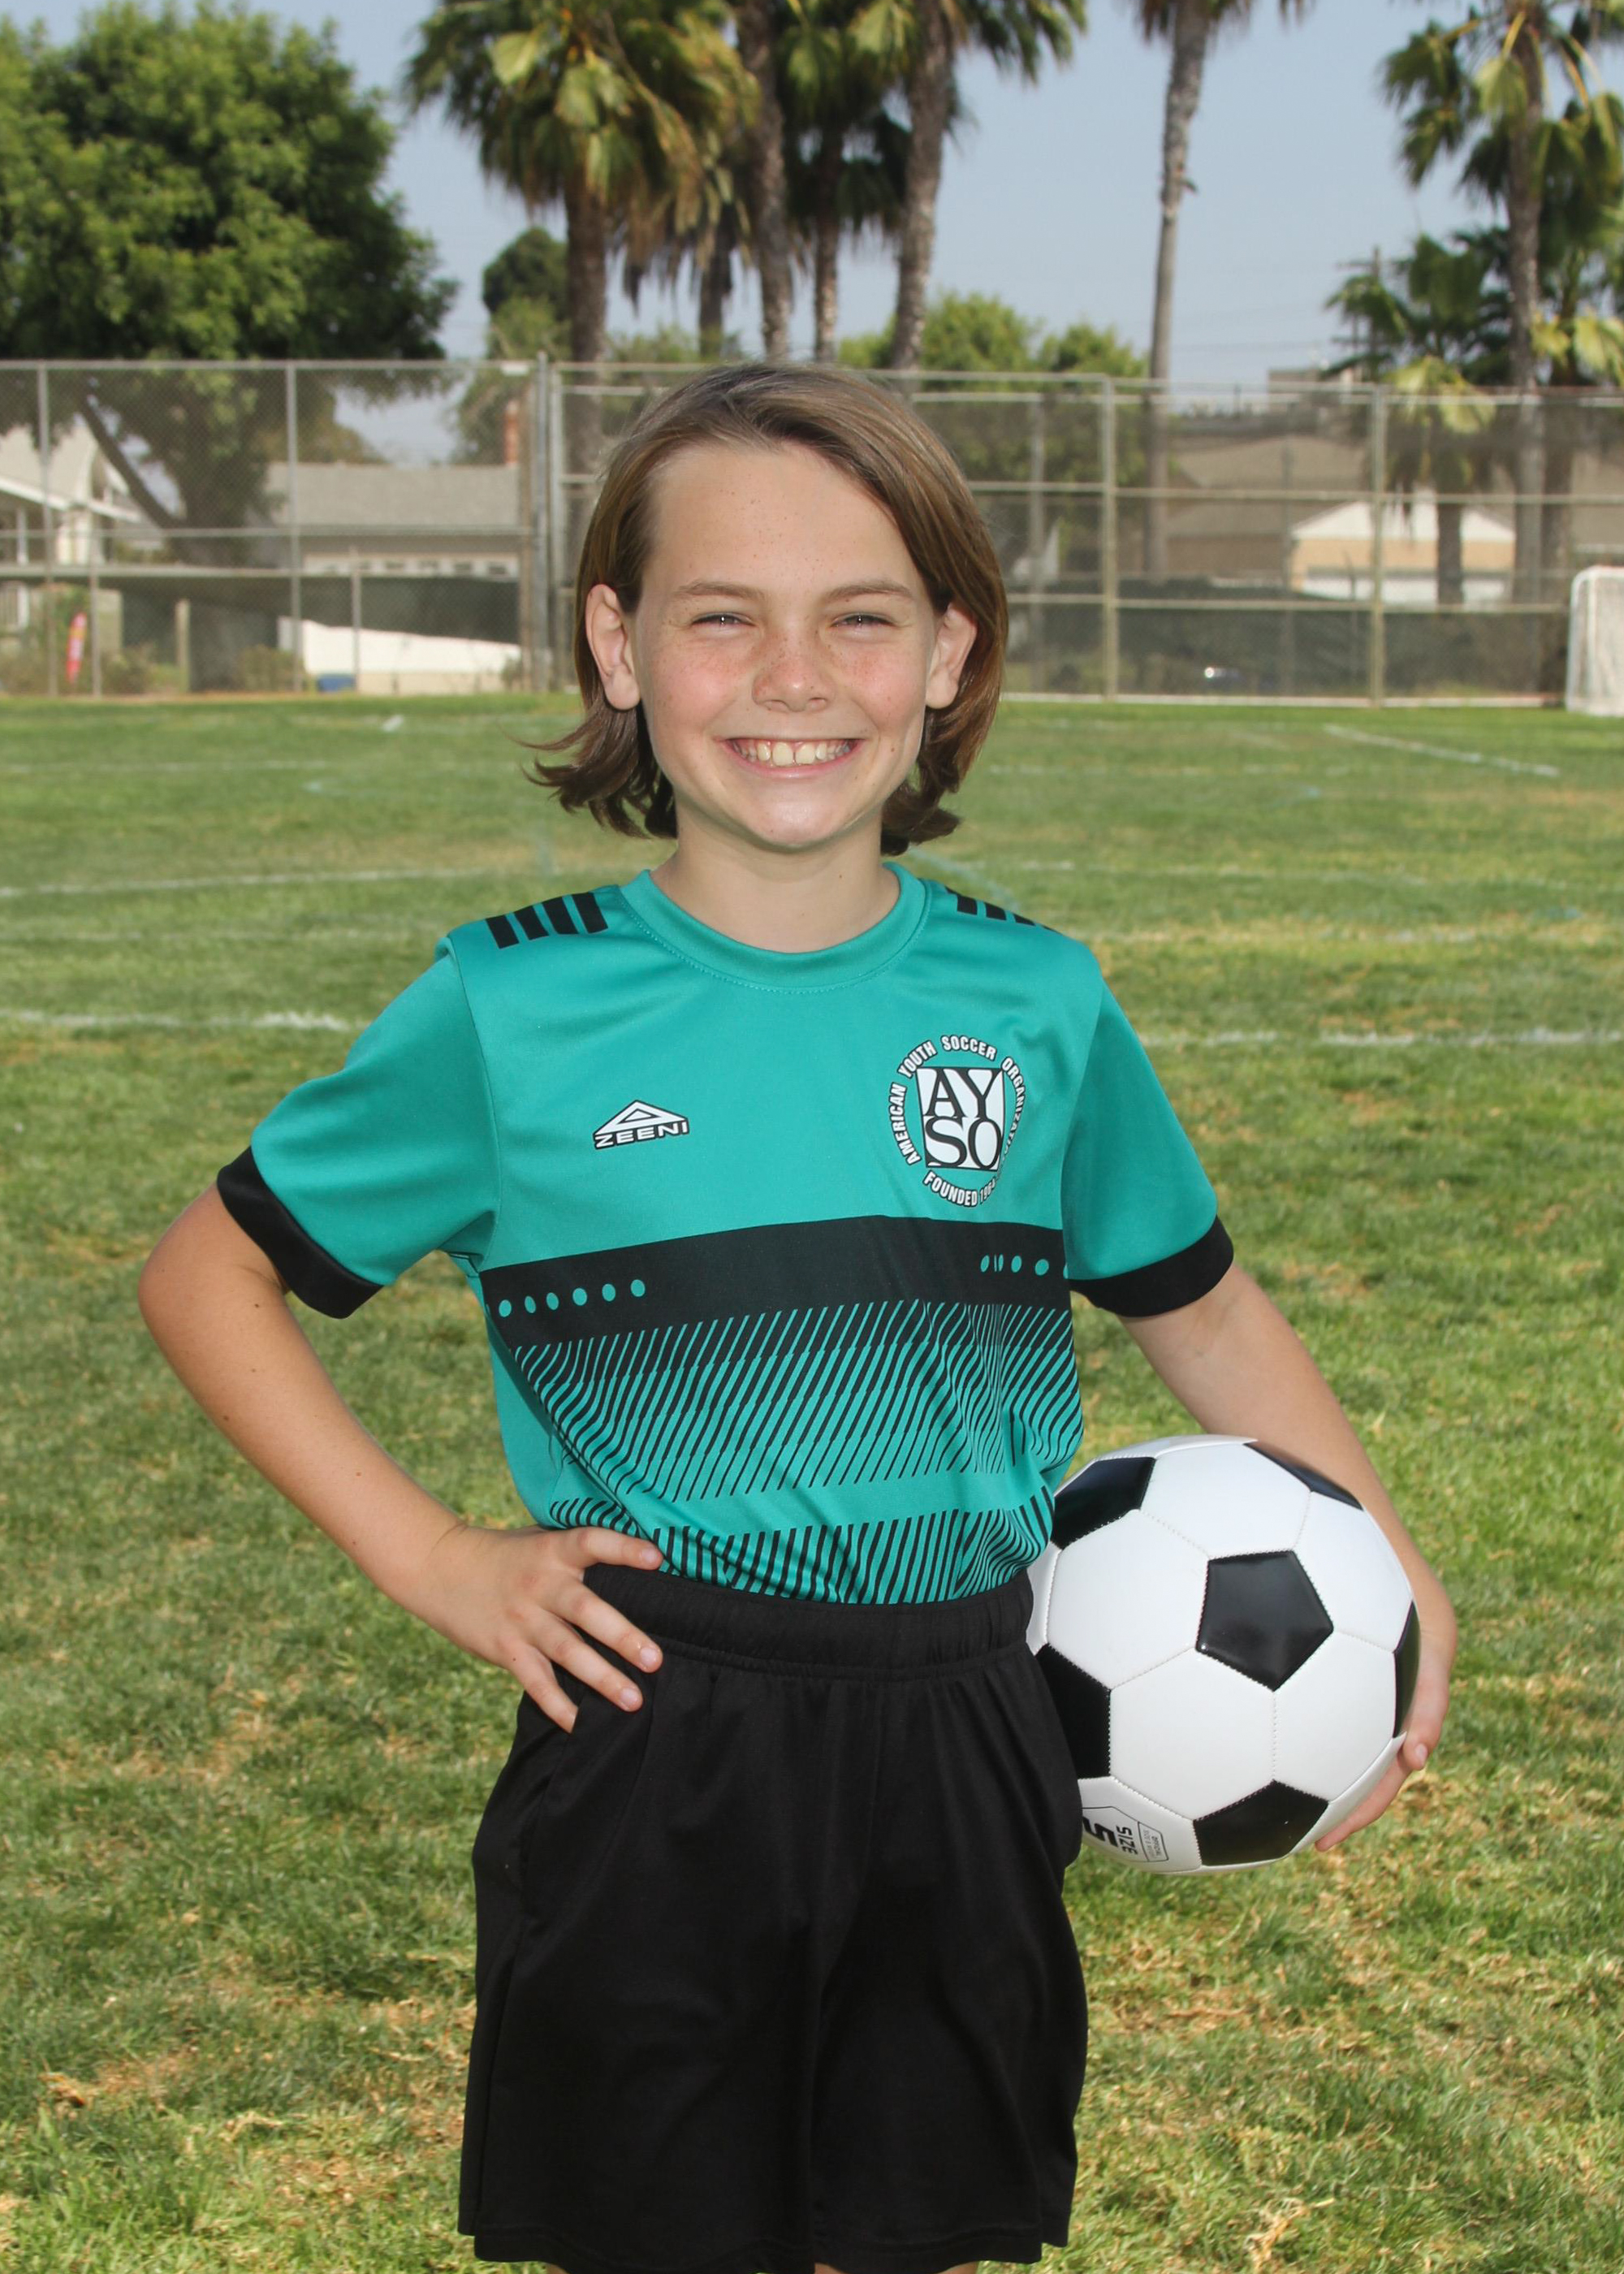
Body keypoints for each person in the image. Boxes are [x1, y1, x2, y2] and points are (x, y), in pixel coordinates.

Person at [137, 359, 1457, 2274]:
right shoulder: (514, 1009)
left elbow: (1205, 1311)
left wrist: (1386, 1569)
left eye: (858, 618)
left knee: (911, 2226)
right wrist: (433, 1556)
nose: (791, 679)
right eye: (720, 618)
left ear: (947, 652)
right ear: (616, 643)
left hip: (976, 1718)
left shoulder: (1035, 1000)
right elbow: (208, 1271)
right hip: (657, 1728)